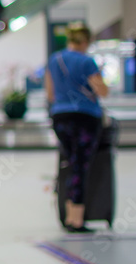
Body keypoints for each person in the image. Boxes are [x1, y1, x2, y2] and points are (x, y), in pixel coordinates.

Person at [45, 23, 109, 232]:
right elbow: (102, 91)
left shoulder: (54, 60)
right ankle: (77, 219)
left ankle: (68, 214)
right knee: (81, 165)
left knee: (69, 162)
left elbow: (50, 94)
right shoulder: (87, 62)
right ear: (84, 41)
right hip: (85, 117)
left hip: (60, 116)